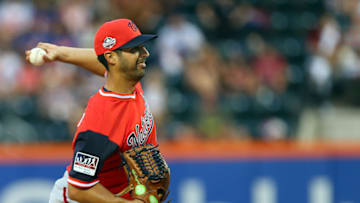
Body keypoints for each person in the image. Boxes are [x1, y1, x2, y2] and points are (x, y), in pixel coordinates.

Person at [26, 19, 159, 203]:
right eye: (134, 49)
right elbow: (78, 188)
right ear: (112, 58)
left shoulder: (130, 81)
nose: (145, 54)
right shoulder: (101, 121)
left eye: (142, 46)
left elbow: (104, 62)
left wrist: (61, 53)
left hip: (117, 193)